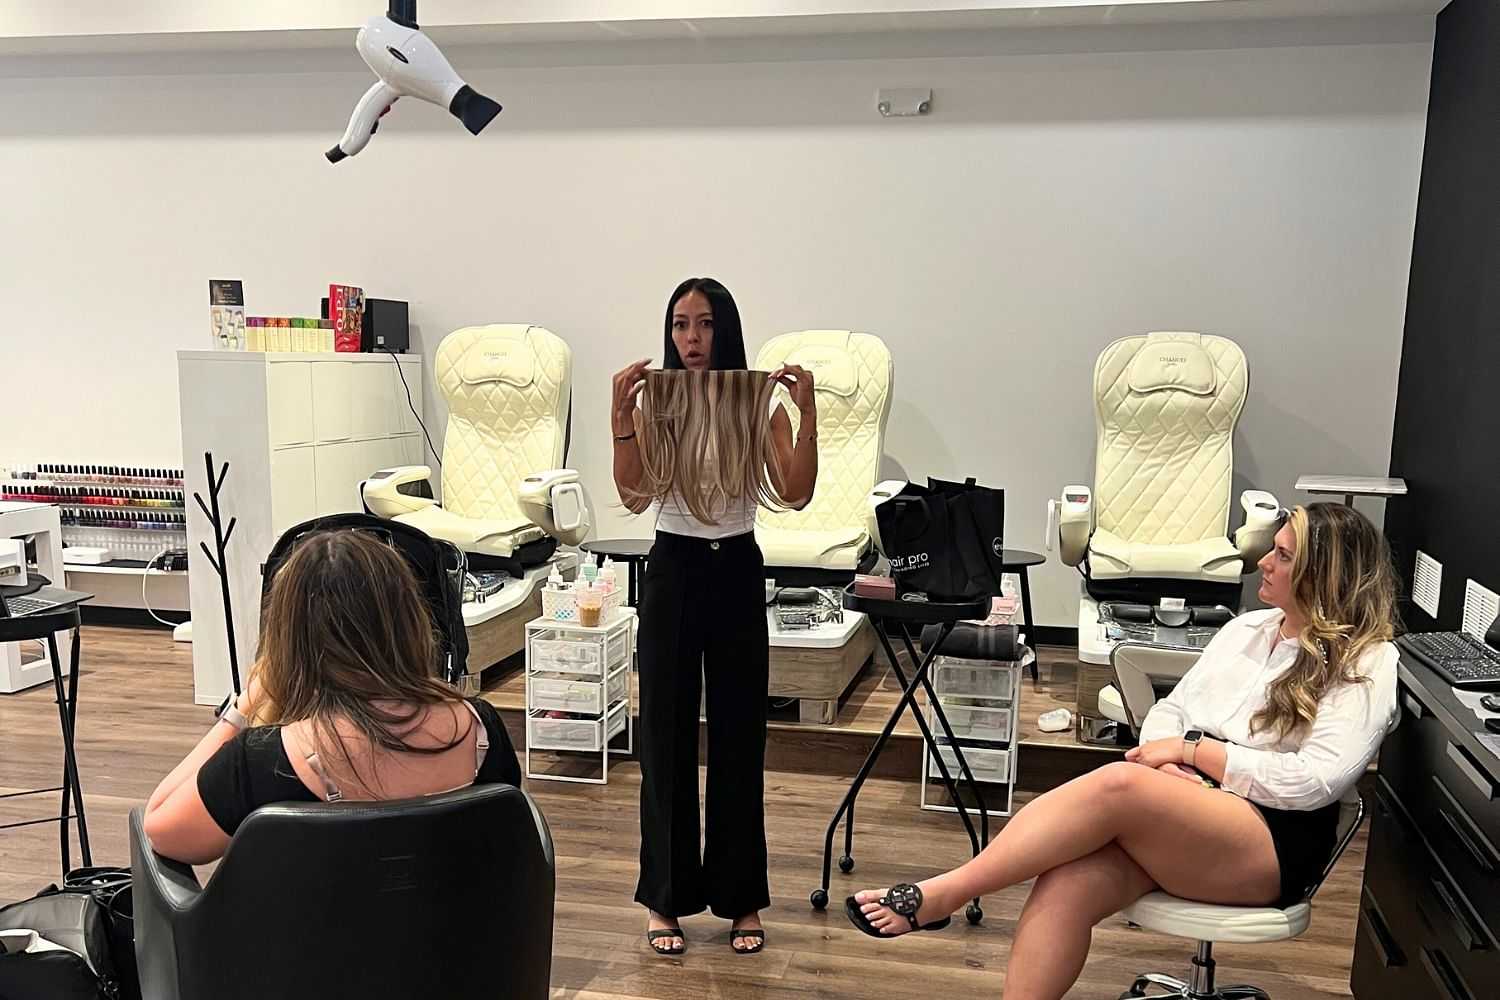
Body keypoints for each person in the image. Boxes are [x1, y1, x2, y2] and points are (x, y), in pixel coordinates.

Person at [847, 502, 1400, 1000]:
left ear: (1323, 575)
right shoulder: (1247, 630)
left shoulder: (1368, 661)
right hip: (1191, 805)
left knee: (1122, 783)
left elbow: (1314, 780)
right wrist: (1178, 760)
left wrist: (1195, 755)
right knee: (1064, 886)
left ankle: (944, 893)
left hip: (1273, 840)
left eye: (1281, 556)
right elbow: (1170, 710)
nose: (1264, 564)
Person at [611, 277, 818, 956]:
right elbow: (635, 496)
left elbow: (795, 490)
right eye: (679, 325)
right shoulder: (658, 405)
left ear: (724, 329)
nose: (690, 339)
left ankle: (740, 899)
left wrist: (806, 413)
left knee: (738, 738)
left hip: (735, 569)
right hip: (672, 567)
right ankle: (664, 901)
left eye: (702, 325)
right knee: (665, 738)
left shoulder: (757, 407)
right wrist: (621, 422)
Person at [143, 529, 521, 865]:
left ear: (289, 641)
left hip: (301, 947)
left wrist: (242, 708)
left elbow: (158, 827)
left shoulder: (260, 761)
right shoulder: (480, 731)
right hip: (460, 945)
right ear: (410, 621)